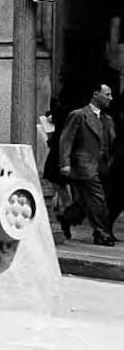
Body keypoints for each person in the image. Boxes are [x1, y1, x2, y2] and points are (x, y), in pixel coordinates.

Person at [59, 83, 118, 246]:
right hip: (84, 165)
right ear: (95, 94)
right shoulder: (79, 115)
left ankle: (67, 218)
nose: (110, 99)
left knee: (87, 202)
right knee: (97, 199)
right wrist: (65, 163)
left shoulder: (108, 120)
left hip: (103, 167)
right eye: (107, 95)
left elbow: (111, 144)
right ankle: (101, 234)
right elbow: (66, 139)